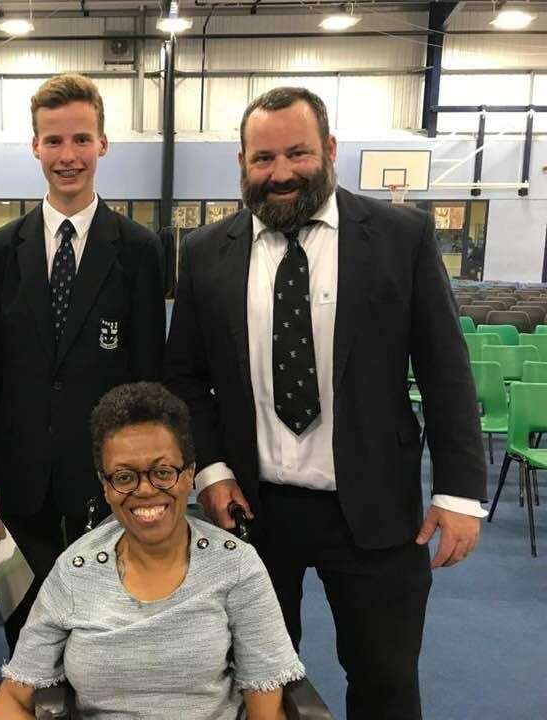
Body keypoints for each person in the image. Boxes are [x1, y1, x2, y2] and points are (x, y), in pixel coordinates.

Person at [163, 87, 487, 720]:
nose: (280, 173)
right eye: (263, 158)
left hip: (373, 511)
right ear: (242, 164)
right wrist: (213, 471)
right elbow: (185, 378)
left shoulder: (401, 236)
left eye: (297, 153)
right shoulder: (206, 252)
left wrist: (457, 494)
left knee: (385, 680)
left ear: (331, 151)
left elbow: (446, 373)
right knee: (257, 682)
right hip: (253, 511)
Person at [0, 74, 166, 652]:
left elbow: (147, 376)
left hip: (107, 473)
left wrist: (143, 471)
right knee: (23, 618)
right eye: (53, 141)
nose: (68, 156)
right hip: (17, 470)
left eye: (81, 139)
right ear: (35, 147)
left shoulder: (138, 250)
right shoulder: (5, 248)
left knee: (103, 616)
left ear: (103, 143)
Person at [0, 382, 304, 719]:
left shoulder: (236, 565)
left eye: (163, 472)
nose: (146, 490)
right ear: (105, 486)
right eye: (124, 477)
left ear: (190, 475)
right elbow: (15, 696)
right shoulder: (74, 570)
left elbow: (266, 706)